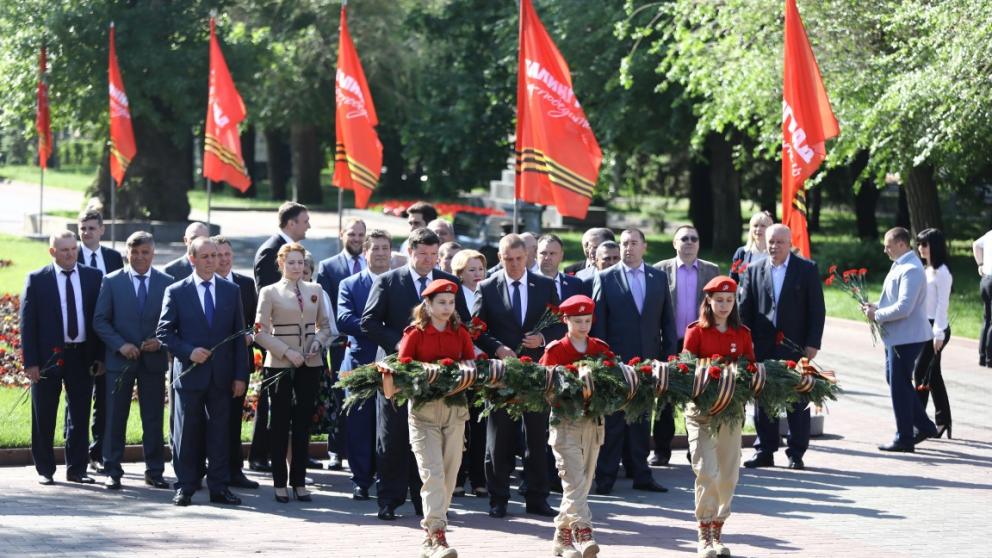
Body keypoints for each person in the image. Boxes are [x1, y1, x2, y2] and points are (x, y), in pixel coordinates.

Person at [361, 228, 466, 520]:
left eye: (434, 255)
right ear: (410, 252)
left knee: (429, 438)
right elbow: (368, 322)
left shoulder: (449, 283)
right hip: (397, 372)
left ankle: (427, 503)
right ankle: (389, 499)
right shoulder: (389, 281)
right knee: (392, 436)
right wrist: (400, 343)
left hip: (436, 378)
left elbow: (464, 324)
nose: (428, 260)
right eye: (422, 254)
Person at [473, 233, 563, 518]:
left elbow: (561, 323)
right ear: (499, 259)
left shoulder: (545, 286)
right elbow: (476, 329)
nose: (513, 264)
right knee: (499, 437)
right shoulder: (487, 287)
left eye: (519, 259)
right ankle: (498, 498)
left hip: (536, 372)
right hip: (502, 373)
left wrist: (543, 337)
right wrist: (496, 348)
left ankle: (537, 497)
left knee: (537, 437)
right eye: (507, 259)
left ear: (528, 258)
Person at [156, 237, 248, 507]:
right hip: (190, 374)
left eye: (215, 256)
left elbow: (238, 335)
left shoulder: (231, 291)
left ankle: (219, 488)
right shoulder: (176, 291)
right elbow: (164, 332)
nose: (212, 261)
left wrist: (240, 376)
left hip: (222, 376)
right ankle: (185, 486)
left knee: (220, 434)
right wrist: (188, 351)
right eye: (205, 256)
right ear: (192, 259)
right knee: (187, 434)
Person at [591, 228, 674, 495]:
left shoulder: (658, 278)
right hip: (616, 363)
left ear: (644, 247)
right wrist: (605, 360)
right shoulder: (605, 278)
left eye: (633, 243)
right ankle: (605, 477)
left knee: (641, 421)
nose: (628, 248)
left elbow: (667, 322)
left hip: (648, 364)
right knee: (613, 422)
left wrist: (667, 359)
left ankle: (641, 474)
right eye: (624, 243)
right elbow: (599, 326)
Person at [399, 279, 475, 558]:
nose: (446, 307)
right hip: (424, 412)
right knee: (433, 473)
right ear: (428, 305)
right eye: (440, 302)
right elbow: (403, 368)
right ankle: (436, 535)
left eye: (451, 303)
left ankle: (434, 533)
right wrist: (428, 372)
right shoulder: (415, 333)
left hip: (455, 411)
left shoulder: (460, 332)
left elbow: (470, 363)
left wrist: (463, 370)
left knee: (450, 474)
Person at [21, 230, 104, 485]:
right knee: (44, 414)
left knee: (79, 415)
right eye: (64, 250)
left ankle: (77, 469)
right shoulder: (37, 279)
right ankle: (45, 469)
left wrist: (99, 356)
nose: (70, 254)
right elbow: (28, 324)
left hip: (82, 356)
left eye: (73, 249)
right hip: (49, 358)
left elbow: (99, 320)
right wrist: (31, 363)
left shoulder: (93, 277)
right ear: (52, 252)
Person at [739, 224, 824, 469]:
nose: (774, 247)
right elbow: (745, 310)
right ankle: (765, 449)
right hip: (762, 345)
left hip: (795, 345)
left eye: (780, 242)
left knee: (797, 397)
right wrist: (746, 343)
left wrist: (812, 343)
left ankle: (796, 452)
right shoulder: (754, 269)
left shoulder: (806, 269)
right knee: (763, 397)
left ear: (789, 243)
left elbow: (816, 309)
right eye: (771, 242)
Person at [92, 231, 172, 490]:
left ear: (153, 253)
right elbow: (100, 320)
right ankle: (112, 470)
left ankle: (155, 471)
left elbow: (174, 323)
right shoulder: (112, 281)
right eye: (134, 252)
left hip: (153, 361)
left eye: (145, 252)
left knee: (152, 418)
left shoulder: (167, 282)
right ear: (127, 253)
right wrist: (120, 345)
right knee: (115, 416)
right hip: (120, 361)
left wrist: (160, 342)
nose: (139, 257)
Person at [254, 243, 332, 503]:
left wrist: (318, 343)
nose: (297, 267)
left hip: (310, 363)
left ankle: (299, 481)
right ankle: (279, 482)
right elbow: (260, 332)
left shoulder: (315, 290)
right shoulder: (270, 292)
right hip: (279, 365)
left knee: (302, 423)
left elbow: (325, 326)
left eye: (300, 263)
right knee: (279, 422)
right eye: (291, 263)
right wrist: (287, 352)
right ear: (281, 264)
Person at [682, 276, 754, 558]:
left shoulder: (742, 334)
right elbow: (684, 371)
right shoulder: (696, 332)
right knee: (706, 470)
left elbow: (750, 369)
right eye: (719, 300)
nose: (724, 305)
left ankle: (718, 531)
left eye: (729, 300)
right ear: (708, 301)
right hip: (701, 413)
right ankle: (704, 532)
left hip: (731, 413)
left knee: (728, 474)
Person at [540, 294, 610, 558]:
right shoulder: (556, 350)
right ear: (565, 320)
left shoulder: (600, 348)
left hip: (593, 424)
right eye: (577, 321)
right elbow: (545, 389)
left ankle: (562, 537)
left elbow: (613, 382)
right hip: (565, 423)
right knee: (574, 483)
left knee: (582, 484)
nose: (583, 326)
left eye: (587, 320)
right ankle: (584, 531)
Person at [864, 227, 939, 452]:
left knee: (898, 384)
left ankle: (904, 438)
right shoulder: (901, 264)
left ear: (901, 244)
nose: (884, 249)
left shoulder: (911, 269)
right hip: (898, 336)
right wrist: (875, 306)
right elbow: (894, 299)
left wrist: (876, 315)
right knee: (896, 381)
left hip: (907, 336)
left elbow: (904, 307)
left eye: (888, 244)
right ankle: (924, 426)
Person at [250, 201, 310, 473]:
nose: (308, 225)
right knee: (273, 402)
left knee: (296, 403)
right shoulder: (271, 251)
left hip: (301, 342)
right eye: (304, 220)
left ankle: (293, 453)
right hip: (278, 341)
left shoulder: (294, 251)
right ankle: (261, 454)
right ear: (290, 224)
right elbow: (267, 296)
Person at [652, 225, 720, 466]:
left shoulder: (712, 270)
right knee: (665, 395)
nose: (689, 242)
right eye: (684, 239)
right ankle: (661, 450)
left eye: (694, 238)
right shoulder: (660, 270)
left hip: (700, 343)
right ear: (674, 243)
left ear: (699, 244)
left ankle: (697, 450)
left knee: (700, 394)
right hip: (670, 341)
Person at [338, 229, 393, 500]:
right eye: (376, 248)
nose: (381, 253)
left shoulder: (398, 282)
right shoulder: (349, 284)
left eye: (385, 248)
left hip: (393, 362)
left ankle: (388, 476)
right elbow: (344, 319)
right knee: (359, 423)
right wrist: (378, 329)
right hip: (360, 362)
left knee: (389, 425)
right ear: (366, 252)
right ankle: (361, 479)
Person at [316, 216, 368, 470]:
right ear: (341, 235)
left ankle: (361, 450)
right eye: (352, 234)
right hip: (339, 342)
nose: (356, 239)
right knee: (339, 395)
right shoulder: (328, 267)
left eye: (360, 235)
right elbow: (325, 308)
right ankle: (336, 450)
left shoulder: (375, 265)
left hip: (369, 341)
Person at [76, 209, 124, 475]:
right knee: (79, 399)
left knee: (105, 401)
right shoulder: (72, 255)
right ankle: (77, 454)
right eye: (83, 228)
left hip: (108, 340)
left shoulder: (114, 258)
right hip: (81, 339)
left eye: (92, 228)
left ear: (102, 230)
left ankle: (99, 452)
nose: (87, 233)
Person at [213, 236, 261, 490]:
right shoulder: (205, 284)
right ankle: (210, 470)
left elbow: (254, 322)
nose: (223, 259)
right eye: (218, 254)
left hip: (238, 365)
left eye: (227, 254)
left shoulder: (244, 284)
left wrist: (250, 336)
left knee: (233, 420)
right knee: (210, 421)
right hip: (210, 365)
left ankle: (235, 471)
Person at [450, 249, 488, 498]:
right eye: (471, 270)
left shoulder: (489, 293)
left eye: (480, 269)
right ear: (459, 273)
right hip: (460, 366)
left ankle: (479, 477)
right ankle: (458, 476)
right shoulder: (453, 295)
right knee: (459, 424)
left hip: (485, 365)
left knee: (481, 422)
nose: (477, 274)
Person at [913, 228, 953, 439]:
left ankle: (919, 424)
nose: (920, 248)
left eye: (925, 245)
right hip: (924, 326)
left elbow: (942, 306)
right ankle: (943, 420)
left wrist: (938, 334)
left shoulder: (942, 272)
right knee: (933, 375)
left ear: (934, 246)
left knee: (921, 373)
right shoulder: (926, 269)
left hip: (937, 328)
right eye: (919, 244)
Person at [538, 234, 585, 301]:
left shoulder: (575, 284)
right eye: (543, 253)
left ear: (561, 255)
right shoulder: (526, 282)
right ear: (536, 254)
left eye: (552, 253)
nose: (547, 258)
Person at [729, 211, 773, 284]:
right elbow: (733, 278)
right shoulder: (741, 252)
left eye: (763, 226)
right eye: (755, 226)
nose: (758, 229)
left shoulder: (775, 252)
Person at [972, 228, 992, 366]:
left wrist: (980, 264)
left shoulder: (990, 234)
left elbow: (976, 244)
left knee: (987, 319)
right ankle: (990, 358)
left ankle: (982, 356)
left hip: (986, 280)